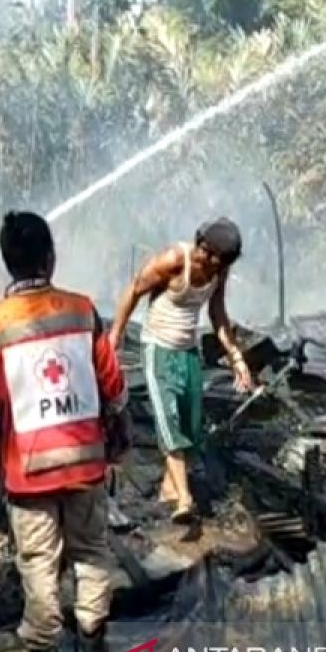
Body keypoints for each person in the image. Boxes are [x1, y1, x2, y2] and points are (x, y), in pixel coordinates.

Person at [0, 211, 129, 652]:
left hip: (28, 472)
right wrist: (120, 431)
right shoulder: (81, 310)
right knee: (92, 551)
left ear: (6, 262)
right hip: (85, 464)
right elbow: (112, 385)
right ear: (52, 257)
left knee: (38, 562)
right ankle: (93, 642)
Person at [108, 217, 253, 523]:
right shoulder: (173, 261)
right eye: (217, 261)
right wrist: (115, 336)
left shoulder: (219, 269)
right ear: (205, 250)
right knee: (169, 421)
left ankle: (168, 493)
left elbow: (217, 312)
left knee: (190, 425)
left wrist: (236, 357)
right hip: (158, 349)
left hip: (188, 351)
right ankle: (184, 500)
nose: (220, 268)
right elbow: (133, 291)